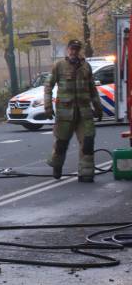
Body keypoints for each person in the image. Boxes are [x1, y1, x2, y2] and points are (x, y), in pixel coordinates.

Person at [43, 39, 103, 182]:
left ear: (79, 50)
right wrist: (48, 106)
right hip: (65, 114)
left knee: (88, 142)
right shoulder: (59, 66)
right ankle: (57, 165)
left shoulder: (86, 67)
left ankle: (86, 173)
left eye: (76, 49)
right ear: (67, 49)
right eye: (72, 48)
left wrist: (98, 108)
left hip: (84, 113)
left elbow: (92, 90)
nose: (74, 51)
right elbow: (48, 86)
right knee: (61, 144)